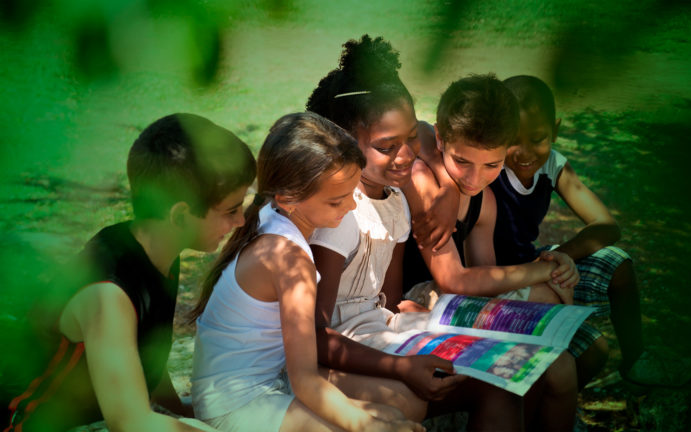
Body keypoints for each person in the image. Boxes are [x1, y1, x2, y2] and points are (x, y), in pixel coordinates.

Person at [306, 35, 550, 431]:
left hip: (378, 333)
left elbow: (386, 300)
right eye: (388, 146)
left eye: (408, 141)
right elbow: (316, 334)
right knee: (410, 402)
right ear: (344, 141)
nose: (405, 156)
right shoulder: (338, 213)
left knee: (506, 378)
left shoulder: (397, 203)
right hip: (337, 351)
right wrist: (400, 366)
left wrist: (409, 314)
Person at [3, 113, 256, 432]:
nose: (240, 222)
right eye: (230, 211)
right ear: (179, 215)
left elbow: (146, 362)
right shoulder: (109, 294)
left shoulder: (160, 251)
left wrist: (190, 416)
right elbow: (129, 422)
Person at [188, 112, 423, 432]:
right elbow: (306, 383)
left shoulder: (273, 214)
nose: (352, 208)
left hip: (268, 381)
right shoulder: (289, 260)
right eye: (338, 201)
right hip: (237, 403)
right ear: (289, 199)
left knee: (400, 409)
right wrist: (365, 425)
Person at [402, 74, 590, 430]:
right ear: (441, 138)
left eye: (492, 165)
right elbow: (452, 279)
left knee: (560, 365)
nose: (474, 178)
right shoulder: (424, 180)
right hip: (418, 297)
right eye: (463, 162)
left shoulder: (483, 201)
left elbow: (487, 276)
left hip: (453, 302)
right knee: (544, 302)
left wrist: (550, 267)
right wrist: (541, 271)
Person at [491, 75, 691, 387]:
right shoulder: (488, 167)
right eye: (512, 140)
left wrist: (557, 258)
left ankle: (636, 362)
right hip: (498, 280)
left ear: (555, 131)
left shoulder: (553, 166)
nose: (524, 152)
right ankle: (545, 407)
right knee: (593, 351)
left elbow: (606, 226)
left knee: (619, 265)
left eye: (537, 139)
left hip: (537, 266)